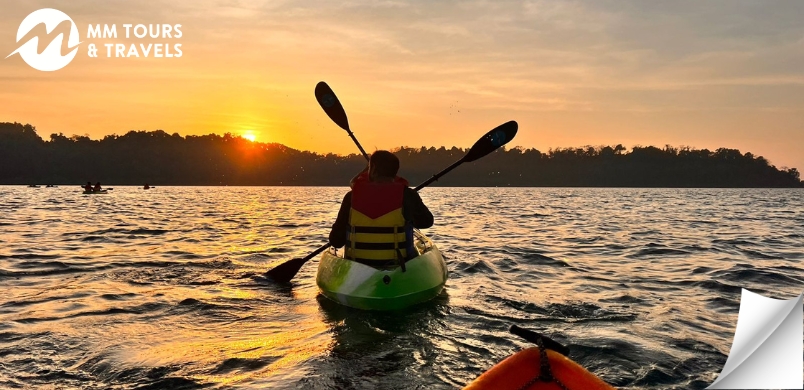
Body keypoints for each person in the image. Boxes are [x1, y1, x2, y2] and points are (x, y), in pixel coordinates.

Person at [329, 150, 433, 265]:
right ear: (395, 171)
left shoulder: (351, 197)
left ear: (372, 169)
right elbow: (426, 222)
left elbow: (336, 241)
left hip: (358, 266)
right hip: (399, 265)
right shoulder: (408, 195)